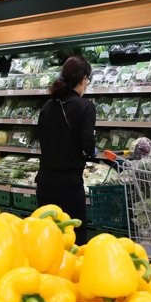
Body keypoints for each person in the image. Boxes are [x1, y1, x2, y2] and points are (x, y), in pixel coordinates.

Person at [35, 56, 95, 237]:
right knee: (74, 237)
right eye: (88, 79)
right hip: (69, 185)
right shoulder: (85, 107)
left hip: (45, 182)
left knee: (48, 237)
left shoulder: (47, 106)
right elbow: (88, 146)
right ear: (83, 79)